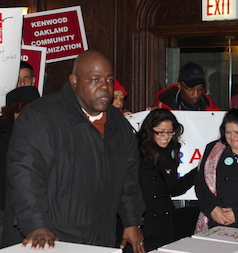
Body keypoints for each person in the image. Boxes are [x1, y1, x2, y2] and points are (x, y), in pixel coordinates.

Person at [1, 50, 146, 253]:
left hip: (99, 239)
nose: (105, 87)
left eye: (109, 80)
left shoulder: (119, 125)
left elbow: (128, 179)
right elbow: (24, 175)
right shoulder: (41, 116)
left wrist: (132, 221)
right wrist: (36, 225)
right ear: (74, 81)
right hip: (50, 239)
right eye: (95, 80)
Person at [137, 109, 197, 251]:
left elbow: (174, 188)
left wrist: (197, 172)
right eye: (161, 132)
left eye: (170, 132)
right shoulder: (135, 151)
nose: (166, 137)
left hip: (163, 225)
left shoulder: (170, 151)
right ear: (149, 130)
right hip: (141, 222)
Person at [0, 86, 41, 246]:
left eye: (33, 111)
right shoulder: (4, 141)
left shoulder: (42, 137)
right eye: (22, 111)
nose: (28, 117)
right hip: (8, 215)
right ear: (12, 114)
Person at [149, 62, 220, 111]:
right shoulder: (163, 108)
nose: (196, 94)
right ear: (179, 86)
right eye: (190, 89)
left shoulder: (213, 109)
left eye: (200, 89)